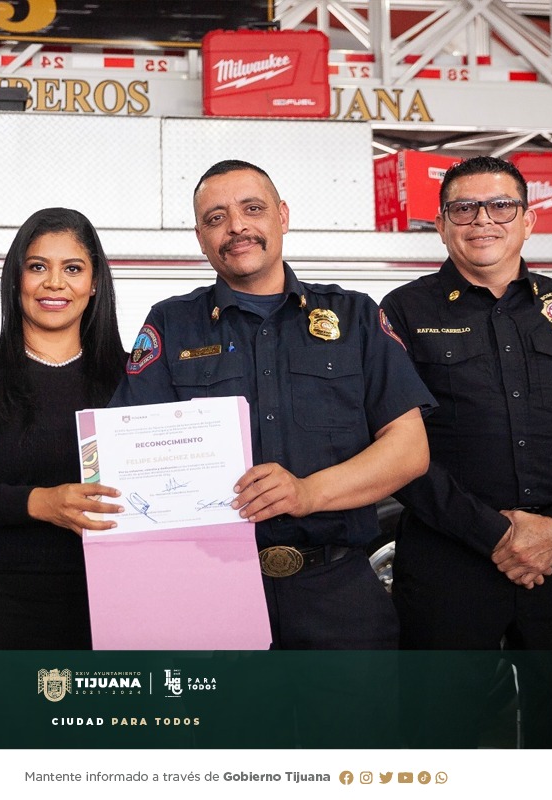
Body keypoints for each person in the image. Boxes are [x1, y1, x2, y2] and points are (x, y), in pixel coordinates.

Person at [111, 160, 434, 746]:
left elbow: (409, 451)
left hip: (338, 594)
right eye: (216, 218)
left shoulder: (355, 315)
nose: (236, 227)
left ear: (282, 217)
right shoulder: (171, 325)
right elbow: (127, 459)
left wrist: (308, 492)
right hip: (212, 601)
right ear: (201, 237)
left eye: (252, 209)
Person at [380, 155, 552, 748]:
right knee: (441, 739)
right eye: (463, 207)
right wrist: (495, 534)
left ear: (529, 220)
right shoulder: (402, 312)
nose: (482, 219)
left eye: (500, 205)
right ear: (441, 225)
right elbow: (394, 446)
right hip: (447, 564)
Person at [0, 207, 126, 651]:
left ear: (94, 283)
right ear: (15, 278)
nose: (54, 283)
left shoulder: (130, 376)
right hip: (7, 601)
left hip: (115, 599)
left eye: (73, 269)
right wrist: (44, 503)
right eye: (37, 267)